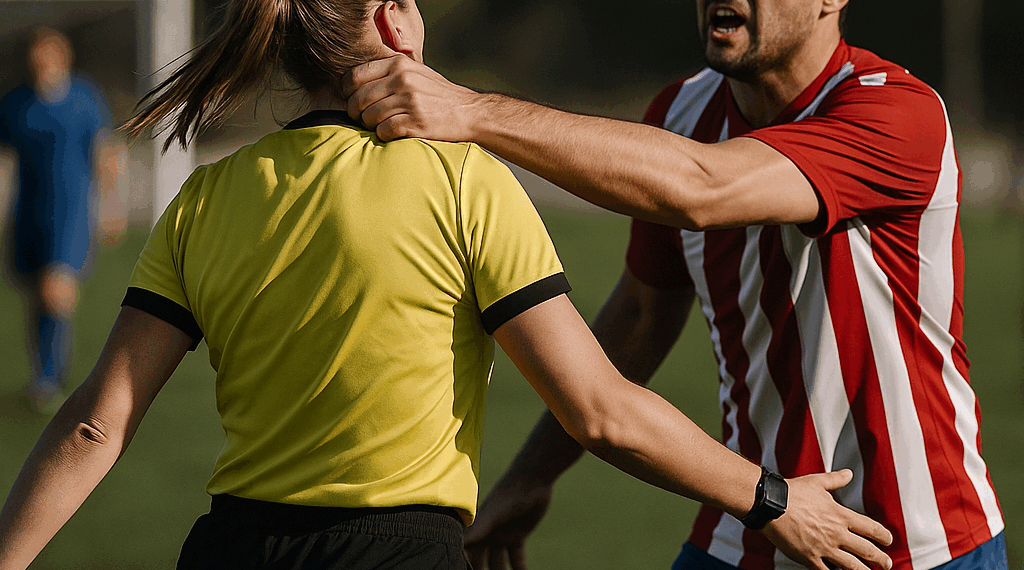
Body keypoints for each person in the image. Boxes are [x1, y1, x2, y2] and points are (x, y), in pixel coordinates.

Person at [0, 1, 894, 569]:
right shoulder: (462, 181)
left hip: (232, 547)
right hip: (404, 554)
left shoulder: (206, 197)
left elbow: (94, 423)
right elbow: (601, 410)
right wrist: (771, 499)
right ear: (395, 23)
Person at [341, 0, 1008, 569]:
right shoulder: (681, 115)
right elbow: (640, 315)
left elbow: (703, 187)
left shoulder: (897, 112)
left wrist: (469, 110)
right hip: (746, 525)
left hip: (914, 541)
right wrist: (529, 480)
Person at [0, 28, 126, 413]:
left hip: (71, 211)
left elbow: (106, 154)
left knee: (57, 292)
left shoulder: (85, 99)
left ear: (63, 57)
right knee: (37, 296)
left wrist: (112, 206)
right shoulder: (15, 104)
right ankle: (44, 376)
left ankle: (53, 379)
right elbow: (5, 162)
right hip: (28, 212)